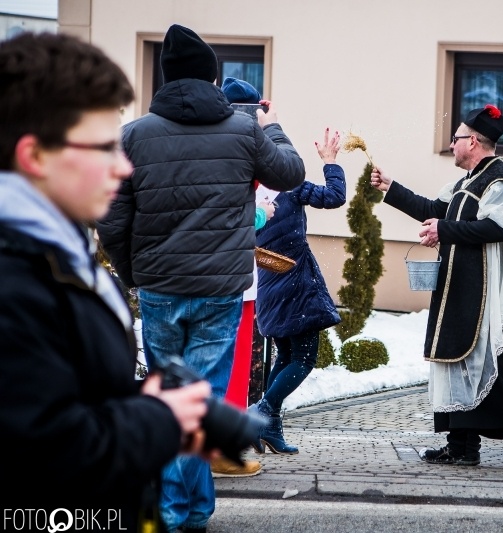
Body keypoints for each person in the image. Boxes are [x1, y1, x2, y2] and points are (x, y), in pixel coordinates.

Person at [95, 24, 305, 533]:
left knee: (171, 400)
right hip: (218, 290)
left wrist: (133, 272)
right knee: (203, 401)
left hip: (161, 287)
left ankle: (180, 511)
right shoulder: (244, 131)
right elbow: (292, 173)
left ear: (166, 78)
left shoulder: (135, 135)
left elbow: (111, 220)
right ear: (213, 77)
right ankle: (186, 513)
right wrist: (271, 126)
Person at [0, 31, 213, 530]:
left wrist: (138, 399)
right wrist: (160, 419)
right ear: (36, 156)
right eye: (104, 147)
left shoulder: (52, 248)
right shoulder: (14, 281)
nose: (123, 166)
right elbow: (48, 464)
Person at [370, 104, 503, 470]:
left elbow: (499, 227)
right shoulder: (465, 183)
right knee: (460, 361)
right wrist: (391, 188)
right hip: (462, 284)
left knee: (495, 364)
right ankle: (461, 444)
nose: (452, 144)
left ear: (472, 141)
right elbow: (433, 208)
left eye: (456, 138)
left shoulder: (501, 180)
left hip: (490, 291)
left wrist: (444, 230)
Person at [249, 127, 345, 454]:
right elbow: (334, 197)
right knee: (304, 359)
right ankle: (261, 413)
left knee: (287, 354)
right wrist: (330, 161)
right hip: (296, 284)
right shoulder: (289, 183)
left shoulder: (246, 185)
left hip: (268, 279)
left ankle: (269, 428)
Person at [220, 76, 275, 411]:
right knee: (236, 364)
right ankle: (227, 444)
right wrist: (271, 128)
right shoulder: (248, 146)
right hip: (237, 275)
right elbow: (286, 171)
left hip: (188, 274)